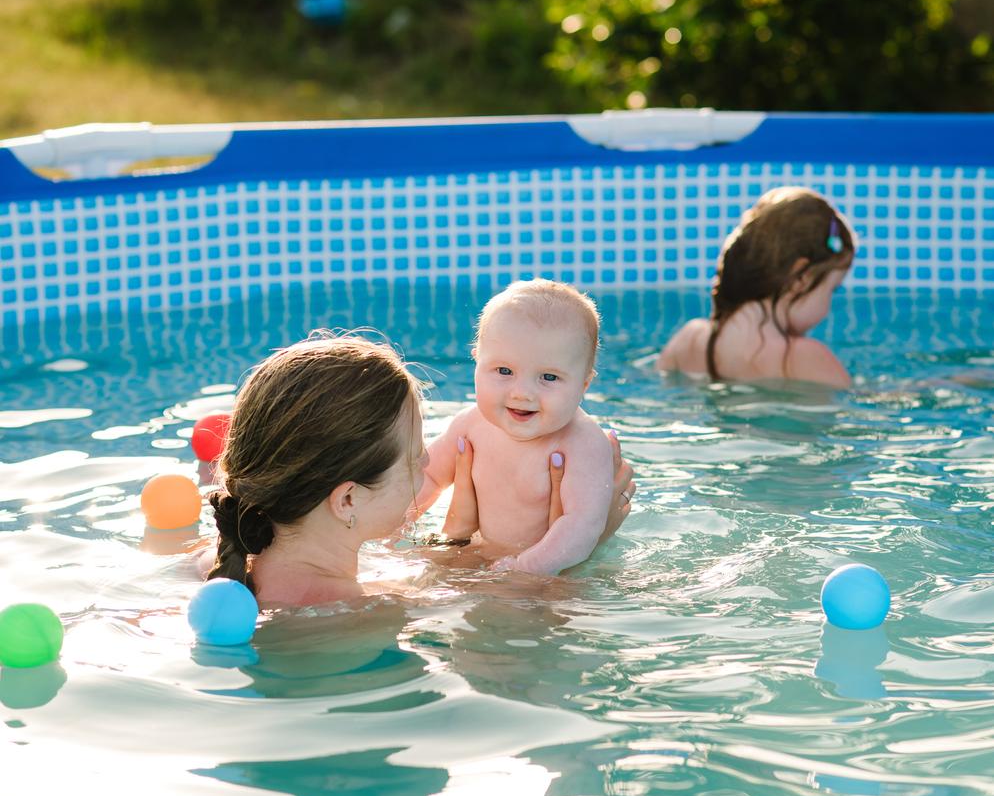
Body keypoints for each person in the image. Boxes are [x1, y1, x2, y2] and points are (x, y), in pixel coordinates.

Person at [206, 331, 634, 606]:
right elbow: (536, 633)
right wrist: (586, 548)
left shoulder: (218, 559)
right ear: (348, 499)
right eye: (414, 458)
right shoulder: (366, 613)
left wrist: (454, 543)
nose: (429, 461)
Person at [412, 279, 616, 576]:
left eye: (548, 377)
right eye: (504, 371)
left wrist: (527, 567)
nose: (522, 393)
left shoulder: (583, 443)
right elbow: (427, 476)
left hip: (551, 574)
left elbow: (582, 523)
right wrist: (395, 527)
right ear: (476, 362)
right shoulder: (471, 425)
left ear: (584, 384)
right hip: (478, 556)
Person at [657, 186, 856, 389]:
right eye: (832, 289)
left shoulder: (689, 340)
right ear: (801, 278)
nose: (828, 308)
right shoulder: (803, 358)